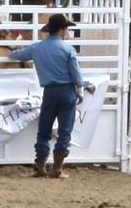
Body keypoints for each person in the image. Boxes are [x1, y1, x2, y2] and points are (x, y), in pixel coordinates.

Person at [9, 14, 88, 178]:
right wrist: (80, 91)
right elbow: (76, 75)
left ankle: (40, 166)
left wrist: (7, 50)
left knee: (44, 129)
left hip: (49, 92)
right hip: (67, 92)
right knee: (65, 130)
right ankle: (57, 169)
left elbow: (16, 55)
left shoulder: (37, 48)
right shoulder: (68, 50)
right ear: (62, 30)